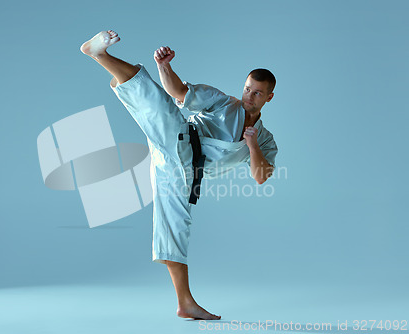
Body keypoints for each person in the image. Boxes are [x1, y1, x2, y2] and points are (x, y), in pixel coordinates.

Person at [80, 30, 278, 320]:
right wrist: (165, 66)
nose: (249, 96)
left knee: (176, 229)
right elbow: (179, 93)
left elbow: (261, 176)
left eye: (257, 93)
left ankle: (185, 304)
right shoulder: (224, 102)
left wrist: (251, 144)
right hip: (181, 140)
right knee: (152, 94)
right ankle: (99, 54)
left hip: (181, 174)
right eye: (248, 88)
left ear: (269, 97)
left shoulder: (265, 139)